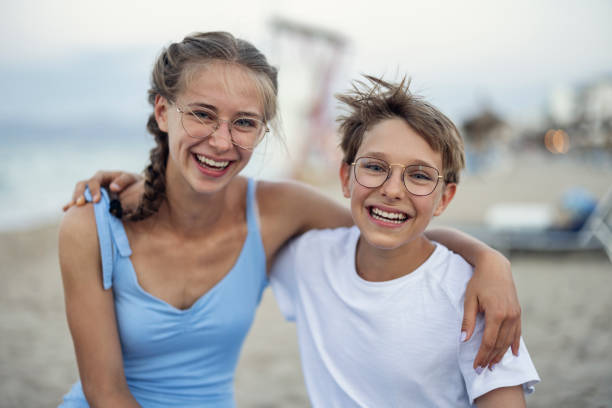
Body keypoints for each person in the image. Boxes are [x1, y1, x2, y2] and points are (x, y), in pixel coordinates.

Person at [59, 32, 521, 407]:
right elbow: (105, 392)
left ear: (262, 130)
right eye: (202, 114)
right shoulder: (89, 226)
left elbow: (387, 224)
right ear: (163, 111)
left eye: (244, 123)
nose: (222, 141)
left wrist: (487, 259)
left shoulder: (278, 211)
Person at [270, 76, 539, 407]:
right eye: (374, 166)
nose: (393, 190)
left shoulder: (472, 296)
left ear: (444, 198)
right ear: (345, 177)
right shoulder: (309, 259)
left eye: (420, 175)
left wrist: (488, 260)